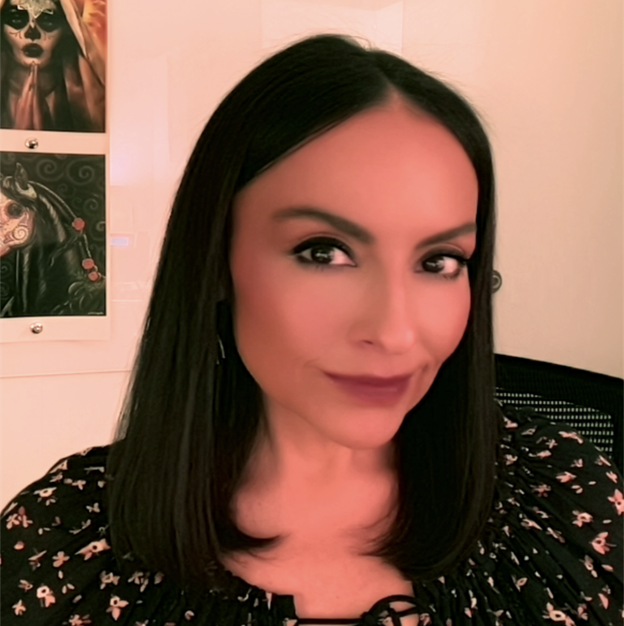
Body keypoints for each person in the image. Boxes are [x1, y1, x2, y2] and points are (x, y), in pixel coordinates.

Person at [0, 34, 622, 625]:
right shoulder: (65, 539)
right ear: (217, 259)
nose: (396, 331)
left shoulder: (569, 505)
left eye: (439, 262)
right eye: (324, 251)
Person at [0, 0, 105, 131]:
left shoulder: (96, 105)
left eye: (48, 21)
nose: (32, 33)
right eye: (17, 19)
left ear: (68, 29)